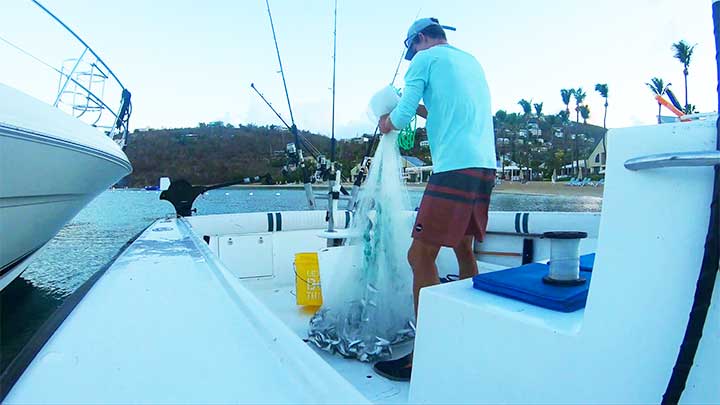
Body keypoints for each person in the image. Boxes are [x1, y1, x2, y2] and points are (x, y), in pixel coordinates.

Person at [373, 18, 497, 381]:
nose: (412, 58)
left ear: (421, 40)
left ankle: (424, 353)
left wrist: (385, 121)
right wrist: (415, 107)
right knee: (462, 246)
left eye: (412, 51)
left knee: (419, 255)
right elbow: (445, 108)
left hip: (455, 168)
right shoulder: (469, 61)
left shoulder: (426, 60)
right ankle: (467, 331)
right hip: (485, 167)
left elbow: (401, 116)